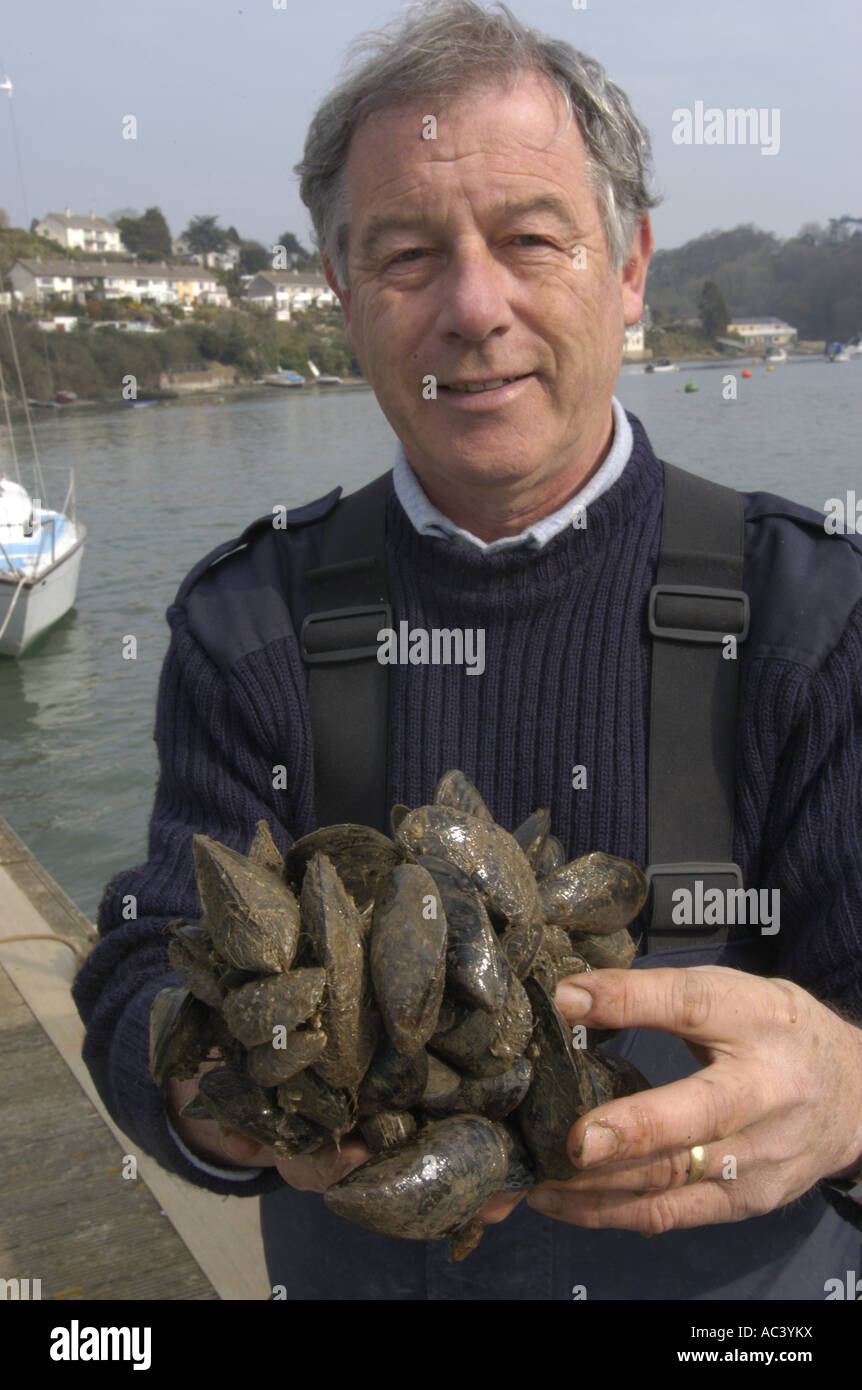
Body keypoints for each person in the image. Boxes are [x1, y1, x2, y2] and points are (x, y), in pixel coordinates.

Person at [73, 0, 862, 1300]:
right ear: (339, 289)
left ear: (627, 267)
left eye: (528, 238)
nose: (472, 306)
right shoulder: (243, 621)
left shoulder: (819, 619)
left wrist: (843, 1095)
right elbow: (146, 949)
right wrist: (211, 1084)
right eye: (405, 255)